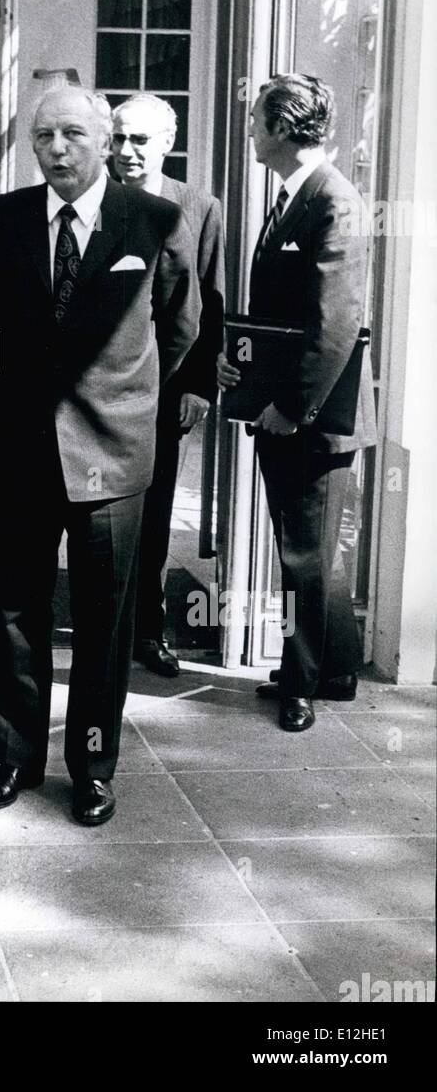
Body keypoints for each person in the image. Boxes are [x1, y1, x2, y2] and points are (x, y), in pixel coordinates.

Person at [0, 87, 200, 825]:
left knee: (104, 622)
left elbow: (182, 325)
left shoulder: (155, 221)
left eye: (72, 134)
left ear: (104, 141)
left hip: (113, 452)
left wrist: (130, 399)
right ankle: (14, 760)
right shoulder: (0, 221)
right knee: (14, 610)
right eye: (43, 137)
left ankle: (92, 767)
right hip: (21, 449)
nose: (57, 149)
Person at [217, 74, 376, 731]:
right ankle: (331, 668)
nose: (249, 130)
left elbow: (333, 326)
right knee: (306, 549)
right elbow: (282, 321)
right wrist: (243, 366)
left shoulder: (330, 202)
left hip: (310, 421)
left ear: (282, 127)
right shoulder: (294, 197)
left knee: (302, 556)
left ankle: (301, 685)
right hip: (286, 410)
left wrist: (289, 406)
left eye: (256, 120)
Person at [109, 94, 225, 677]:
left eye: (140, 141)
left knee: (153, 515)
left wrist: (197, 386)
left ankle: (146, 632)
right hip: (98, 389)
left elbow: (210, 302)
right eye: (119, 138)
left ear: (167, 142)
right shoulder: (92, 198)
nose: (126, 152)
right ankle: (102, 625)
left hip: (165, 386)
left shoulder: (199, 207)